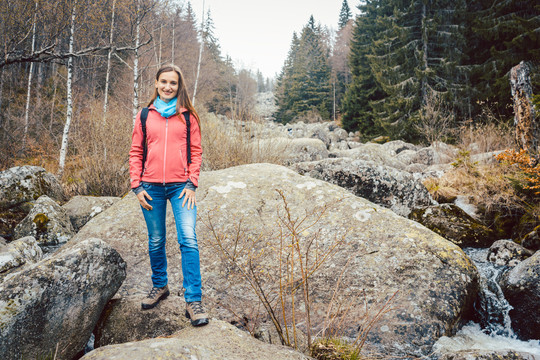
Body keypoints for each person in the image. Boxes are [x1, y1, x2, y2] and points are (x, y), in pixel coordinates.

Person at [129, 64, 208, 326]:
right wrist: (137, 186)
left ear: (179, 86)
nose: (168, 87)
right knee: (156, 239)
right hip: (150, 188)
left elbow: (196, 152)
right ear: (155, 83)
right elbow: (135, 153)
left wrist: (191, 183)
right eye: (163, 82)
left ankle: (193, 301)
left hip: (180, 188)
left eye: (173, 83)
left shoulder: (188, 116)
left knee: (188, 239)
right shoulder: (144, 115)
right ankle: (160, 286)